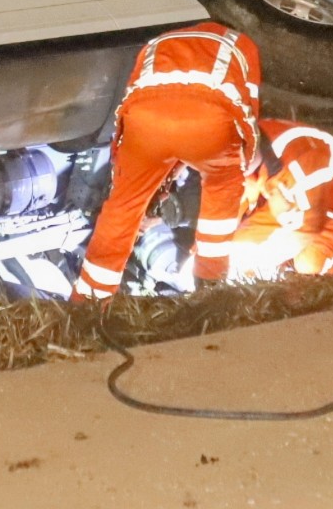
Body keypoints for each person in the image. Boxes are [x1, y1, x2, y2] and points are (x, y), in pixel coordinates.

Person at [73, 21, 265, 301]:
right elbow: (248, 113)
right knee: (221, 189)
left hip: (145, 119)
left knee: (122, 209)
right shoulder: (243, 44)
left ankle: (88, 301)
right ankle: (211, 289)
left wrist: (148, 192)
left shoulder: (158, 41)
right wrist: (241, 163)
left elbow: (136, 101)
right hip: (210, 118)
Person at [222, 118, 333, 283]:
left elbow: (305, 233)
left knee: (311, 269)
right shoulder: (241, 152)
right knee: (239, 245)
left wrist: (252, 268)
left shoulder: (299, 165)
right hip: (282, 197)